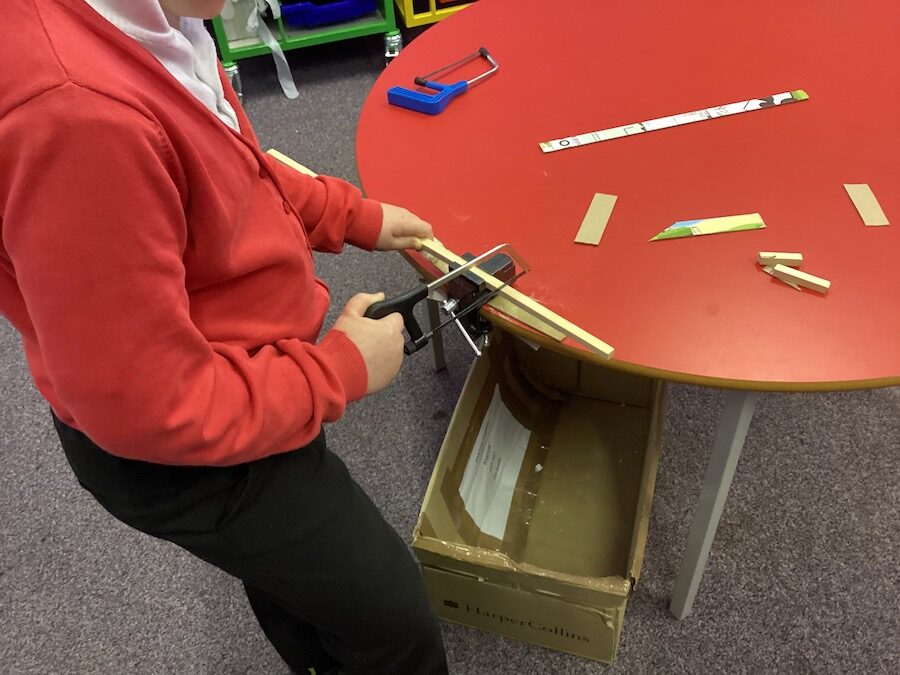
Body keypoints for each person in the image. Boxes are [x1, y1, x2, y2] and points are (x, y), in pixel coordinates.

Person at [0, 0, 448, 672]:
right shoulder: (76, 119)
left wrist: (347, 213)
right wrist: (342, 371)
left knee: (295, 575)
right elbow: (151, 406)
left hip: (250, 383)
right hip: (188, 451)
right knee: (391, 613)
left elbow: (230, 169)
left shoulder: (163, 19)